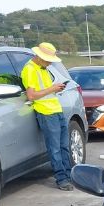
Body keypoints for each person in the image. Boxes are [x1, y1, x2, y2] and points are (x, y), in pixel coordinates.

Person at [20, 42, 73, 191]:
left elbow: (45, 91)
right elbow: (31, 96)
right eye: (48, 60)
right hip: (45, 112)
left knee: (64, 146)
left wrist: (55, 89)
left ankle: (69, 176)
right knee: (55, 148)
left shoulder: (43, 68)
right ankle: (61, 179)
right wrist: (52, 88)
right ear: (39, 56)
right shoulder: (30, 69)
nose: (50, 63)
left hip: (56, 109)